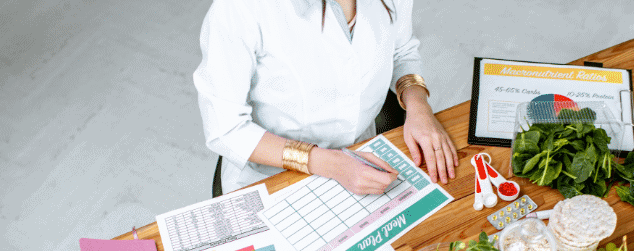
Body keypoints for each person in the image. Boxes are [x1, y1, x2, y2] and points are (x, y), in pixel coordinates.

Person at [193, 0, 458, 197]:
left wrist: (419, 106)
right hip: (273, 176)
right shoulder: (241, 8)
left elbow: (401, 50)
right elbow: (225, 128)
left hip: (361, 155)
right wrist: (332, 164)